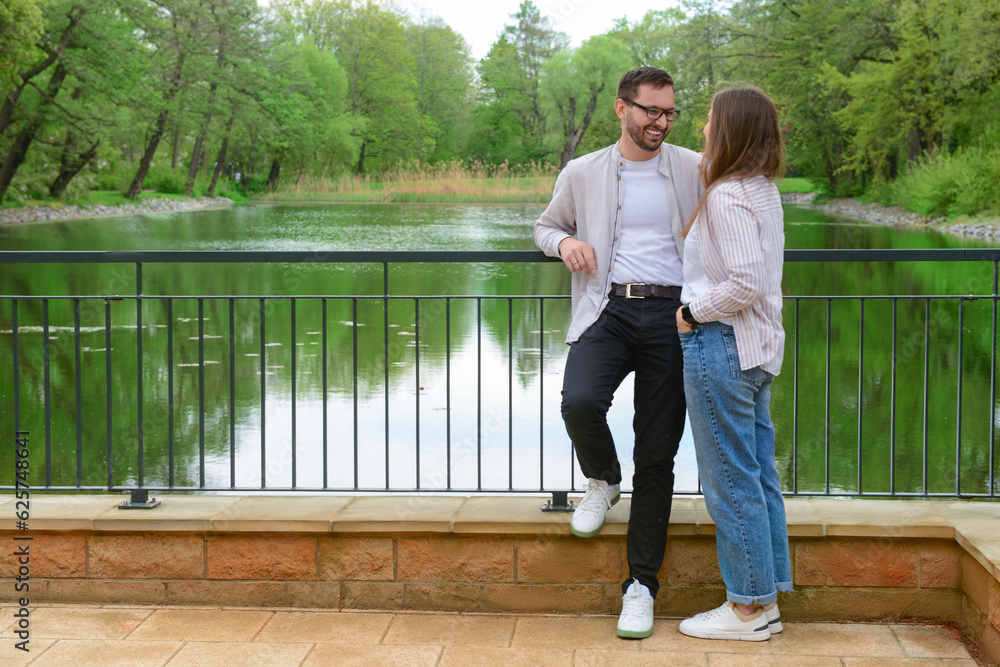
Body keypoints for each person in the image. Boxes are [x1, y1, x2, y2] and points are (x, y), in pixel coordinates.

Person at [534, 66, 703, 639]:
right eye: (650, 110)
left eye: (669, 112)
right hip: (607, 309)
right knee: (579, 402)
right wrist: (566, 242)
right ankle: (603, 479)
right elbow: (543, 226)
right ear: (621, 108)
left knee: (657, 455)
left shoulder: (692, 168)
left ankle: (641, 587)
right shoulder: (583, 172)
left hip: (675, 318)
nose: (660, 122)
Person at [674, 85, 792, 641]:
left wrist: (691, 312)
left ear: (730, 129)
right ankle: (764, 601)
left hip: (723, 343)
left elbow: (743, 281)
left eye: (709, 118)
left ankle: (746, 608)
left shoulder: (726, 195)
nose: (701, 126)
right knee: (759, 476)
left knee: (730, 482)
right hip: (758, 349)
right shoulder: (762, 189)